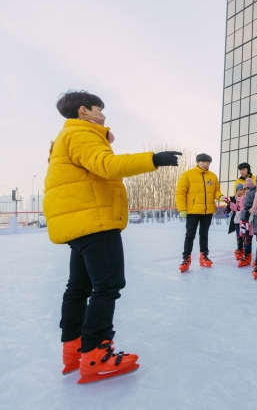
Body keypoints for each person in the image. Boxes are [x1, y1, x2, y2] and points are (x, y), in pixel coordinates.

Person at [45, 90, 180, 383]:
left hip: (79, 220)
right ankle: (96, 355)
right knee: (107, 285)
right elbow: (107, 166)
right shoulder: (83, 134)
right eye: (99, 109)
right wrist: (154, 158)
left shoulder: (65, 138)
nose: (103, 115)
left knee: (79, 287)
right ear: (84, 111)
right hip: (94, 219)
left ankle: (74, 350)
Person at [176, 153, 223, 273]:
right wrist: (182, 208)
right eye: (203, 162)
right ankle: (186, 258)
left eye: (208, 162)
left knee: (204, 234)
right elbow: (180, 193)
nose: (206, 164)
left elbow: (216, 191)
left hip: (208, 211)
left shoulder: (212, 176)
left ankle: (204, 256)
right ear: (197, 162)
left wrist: (221, 197)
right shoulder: (187, 175)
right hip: (192, 211)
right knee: (190, 235)